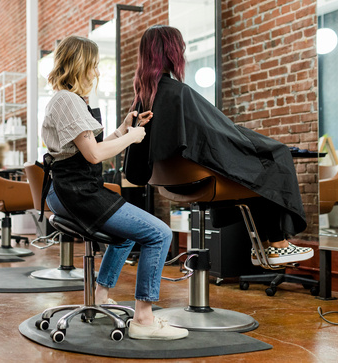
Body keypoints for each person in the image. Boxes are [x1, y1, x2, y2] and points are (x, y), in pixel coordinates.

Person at [125, 25, 313, 265]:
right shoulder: (179, 93)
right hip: (201, 180)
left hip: (175, 183)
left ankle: (268, 247)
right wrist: (255, 144)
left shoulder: (141, 100)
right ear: (173, 52)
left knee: (253, 171)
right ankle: (278, 244)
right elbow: (217, 136)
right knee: (271, 161)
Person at [41, 35, 189, 340]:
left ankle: (101, 295)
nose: (96, 72)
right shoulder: (67, 100)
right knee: (159, 233)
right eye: (94, 65)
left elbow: (88, 148)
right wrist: (133, 138)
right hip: (77, 192)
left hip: (72, 189)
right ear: (81, 65)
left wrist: (124, 129)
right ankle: (144, 320)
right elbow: (94, 155)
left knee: (123, 236)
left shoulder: (69, 100)